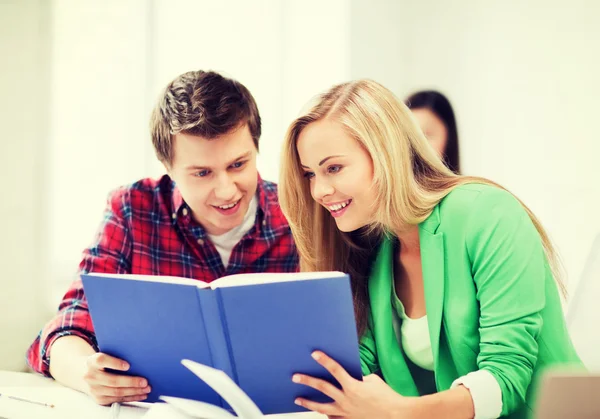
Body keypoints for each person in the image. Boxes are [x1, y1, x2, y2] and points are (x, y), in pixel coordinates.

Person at [279, 79, 582, 418]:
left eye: (333, 168)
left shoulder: (487, 213)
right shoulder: (374, 249)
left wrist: (400, 412)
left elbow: (507, 377)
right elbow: (355, 372)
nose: (319, 191)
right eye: (309, 174)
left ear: (385, 154)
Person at [27, 70, 298, 405]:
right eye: (202, 173)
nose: (227, 190)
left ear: (256, 148)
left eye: (238, 165)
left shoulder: (299, 214)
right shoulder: (131, 210)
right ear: (168, 168)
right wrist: (87, 372)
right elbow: (67, 326)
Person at [405, 90, 460, 174]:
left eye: (427, 134)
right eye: (411, 136)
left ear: (449, 136)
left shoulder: (469, 186)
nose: (417, 144)